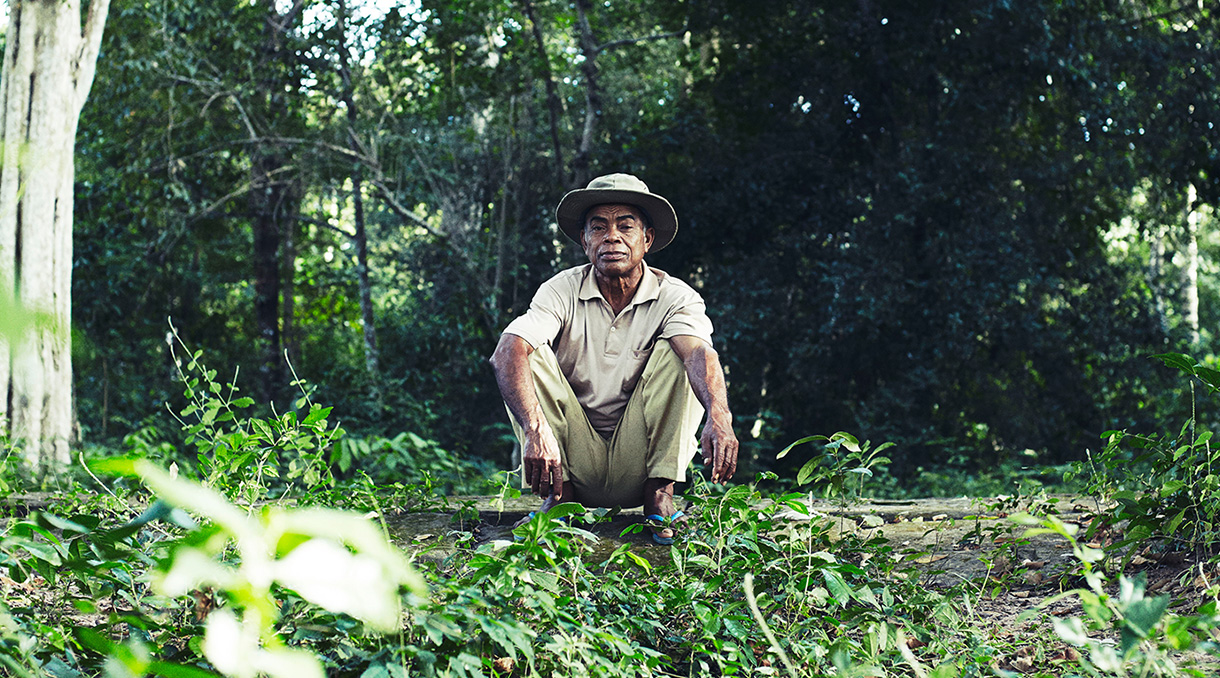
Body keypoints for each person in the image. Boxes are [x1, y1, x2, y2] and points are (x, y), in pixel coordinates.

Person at [489, 173, 738, 544]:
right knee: (525, 349)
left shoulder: (675, 296)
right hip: (569, 459)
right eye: (599, 227)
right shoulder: (561, 289)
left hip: (640, 462)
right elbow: (506, 351)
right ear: (584, 240)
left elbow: (699, 353)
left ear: (647, 239)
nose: (612, 237)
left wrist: (720, 417)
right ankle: (559, 502)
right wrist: (535, 431)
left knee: (681, 352)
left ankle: (660, 497)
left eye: (625, 226)